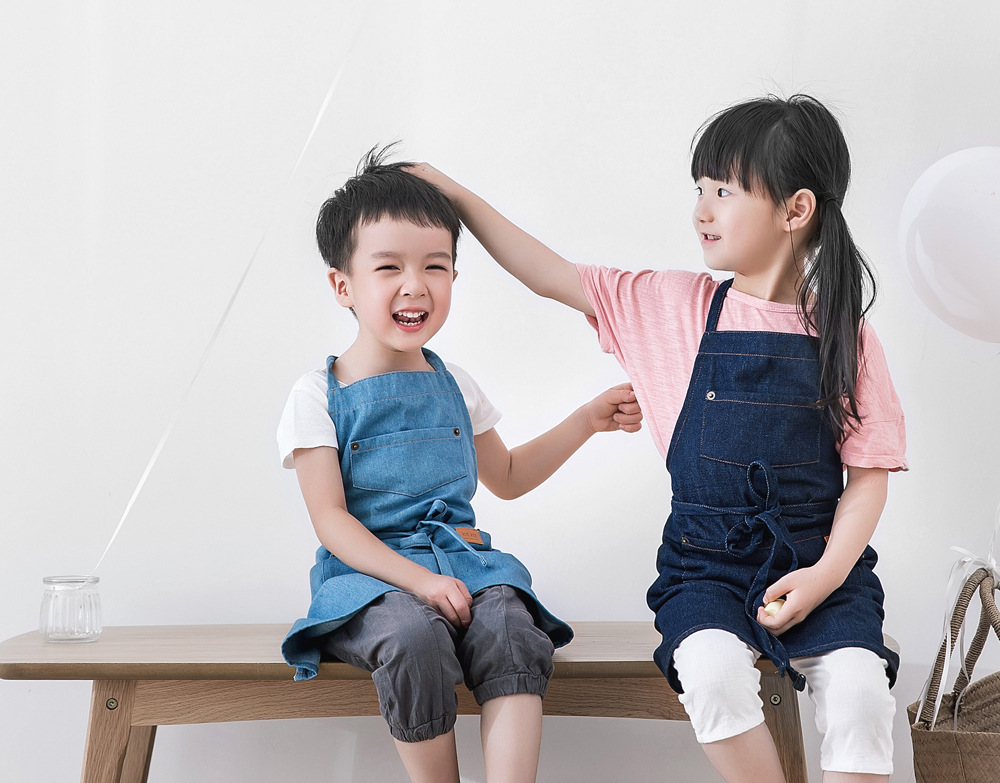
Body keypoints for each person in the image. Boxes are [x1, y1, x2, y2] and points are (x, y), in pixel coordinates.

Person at [410, 94, 907, 783]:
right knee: (710, 673)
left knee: (860, 694)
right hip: (705, 569)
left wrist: (823, 576)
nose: (702, 209)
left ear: (796, 210)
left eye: (724, 191)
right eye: (699, 189)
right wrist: (453, 193)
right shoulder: (672, 307)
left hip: (823, 564)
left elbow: (868, 476)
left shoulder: (847, 333)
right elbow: (548, 273)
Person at [278, 146, 642, 783]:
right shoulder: (318, 395)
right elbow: (331, 521)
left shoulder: (456, 384)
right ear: (343, 286)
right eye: (388, 267)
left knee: (511, 625)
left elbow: (509, 476)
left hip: (465, 565)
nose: (415, 285)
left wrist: (587, 420)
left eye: (435, 266)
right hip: (369, 581)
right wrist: (418, 583)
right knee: (413, 637)